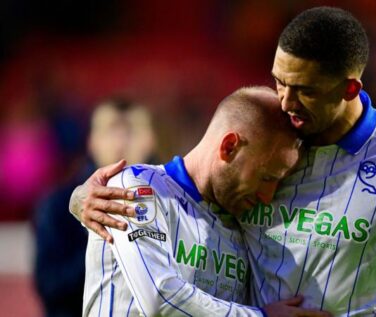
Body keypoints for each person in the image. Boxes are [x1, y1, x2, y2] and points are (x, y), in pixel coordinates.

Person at [71, 7, 376, 316]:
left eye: (304, 90)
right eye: (279, 82)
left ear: (350, 88)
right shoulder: (270, 142)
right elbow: (179, 191)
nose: (287, 103)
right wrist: (81, 198)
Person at [78, 86, 333, 316]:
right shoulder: (137, 187)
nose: (267, 196)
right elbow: (160, 298)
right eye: (266, 177)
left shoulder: (241, 223)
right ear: (229, 147)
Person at [34, 98, 157, 316]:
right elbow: (50, 288)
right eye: (111, 130)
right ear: (92, 141)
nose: (121, 142)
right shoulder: (59, 204)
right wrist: (105, 237)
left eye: (131, 130)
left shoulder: (172, 202)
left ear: (151, 140)